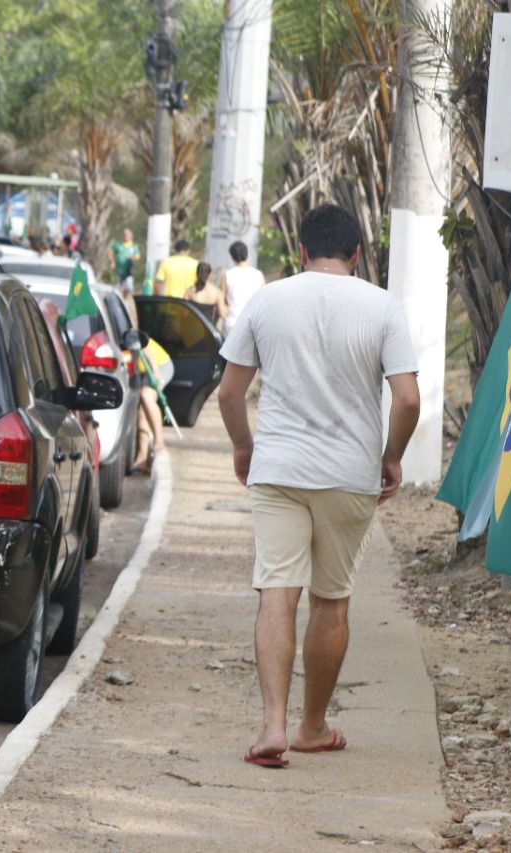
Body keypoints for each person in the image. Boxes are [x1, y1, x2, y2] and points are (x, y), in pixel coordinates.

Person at [216, 203, 420, 769]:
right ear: (356, 254)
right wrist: (392, 458)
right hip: (350, 473)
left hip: (279, 469)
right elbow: (407, 399)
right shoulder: (382, 307)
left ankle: (272, 725)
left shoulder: (267, 299)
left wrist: (243, 446)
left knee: (277, 593)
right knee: (331, 602)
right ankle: (311, 726)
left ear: (301, 251)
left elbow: (230, 395)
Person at [133, 336, 174, 474]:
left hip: (160, 364)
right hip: (145, 370)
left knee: (147, 396)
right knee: (142, 409)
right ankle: (142, 458)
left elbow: (143, 346)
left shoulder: (127, 330)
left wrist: (155, 369)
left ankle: (159, 441)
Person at [221, 240, 266, 336]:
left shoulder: (227, 275)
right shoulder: (258, 275)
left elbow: (221, 301)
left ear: (232, 257)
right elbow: (264, 300)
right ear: (247, 254)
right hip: (253, 324)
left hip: (232, 323)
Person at [188, 260, 227, 325]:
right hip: (207, 329)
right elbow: (222, 313)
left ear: (196, 274)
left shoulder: (189, 291)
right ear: (210, 275)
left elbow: (184, 313)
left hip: (191, 328)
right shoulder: (216, 292)